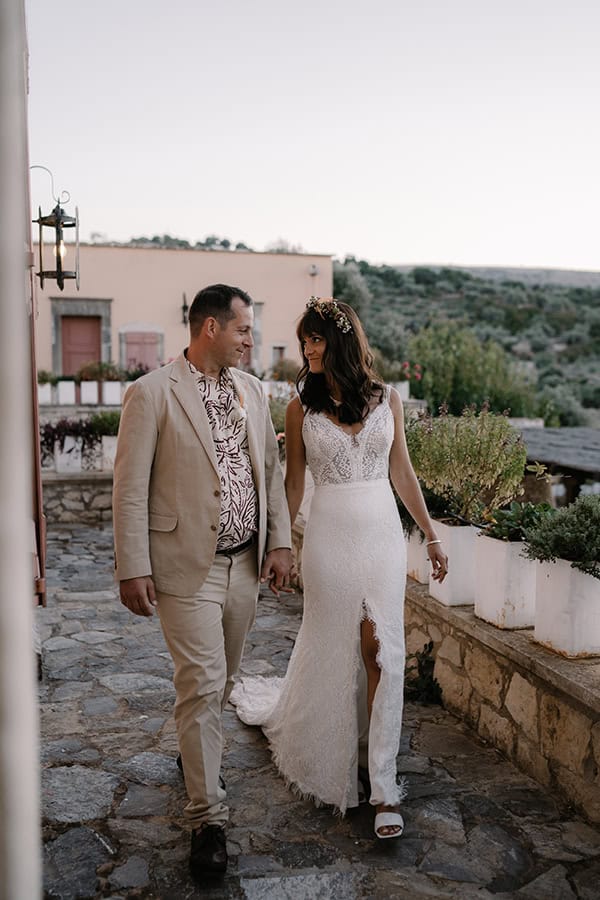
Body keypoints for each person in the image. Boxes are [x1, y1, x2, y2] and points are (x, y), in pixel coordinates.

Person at [231, 296, 448, 840]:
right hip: (328, 539)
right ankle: (332, 751)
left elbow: (403, 472)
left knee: (382, 651)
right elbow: (293, 485)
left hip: (381, 537)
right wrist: (277, 545)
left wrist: (432, 534)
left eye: (316, 339)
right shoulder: (299, 409)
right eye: (304, 340)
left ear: (342, 340)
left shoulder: (388, 399)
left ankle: (383, 785)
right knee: (335, 647)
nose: (307, 349)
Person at [112, 283, 293, 880]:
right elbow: (129, 488)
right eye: (243, 330)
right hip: (185, 567)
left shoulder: (253, 391)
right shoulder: (151, 393)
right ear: (210, 328)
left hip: (245, 564)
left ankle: (197, 756)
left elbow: (269, 470)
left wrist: (280, 542)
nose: (250, 341)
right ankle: (207, 819)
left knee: (223, 682)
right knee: (203, 681)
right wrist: (132, 565)